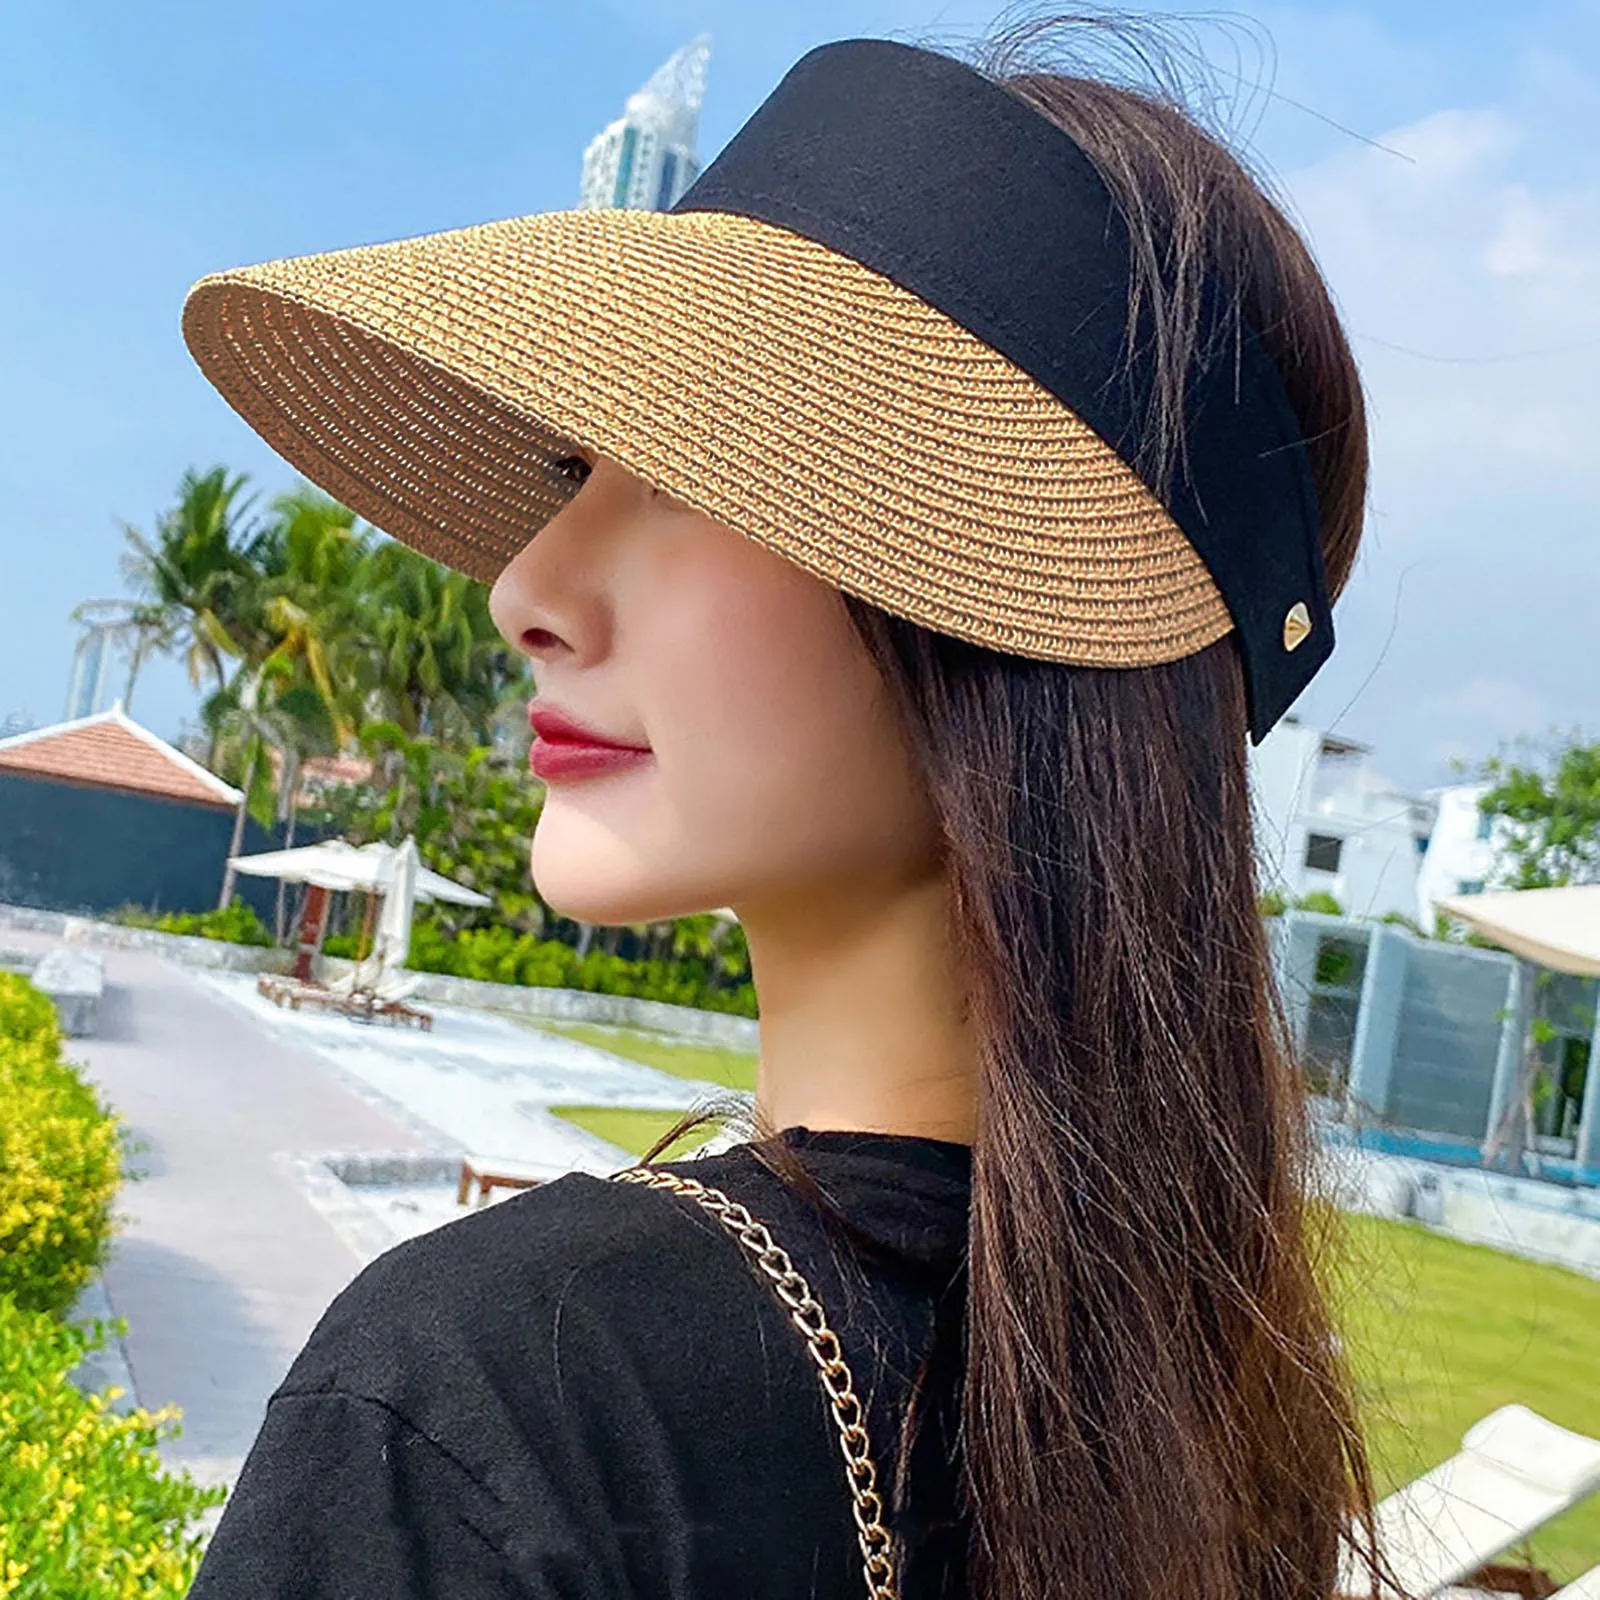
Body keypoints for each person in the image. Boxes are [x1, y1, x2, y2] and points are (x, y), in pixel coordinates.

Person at [180, 15, 1384, 1600]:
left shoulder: (507, 1395)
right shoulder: (1227, 1433)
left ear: (1003, 620)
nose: (525, 592)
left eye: (689, 476)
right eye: (574, 472)